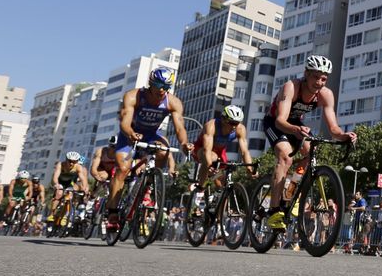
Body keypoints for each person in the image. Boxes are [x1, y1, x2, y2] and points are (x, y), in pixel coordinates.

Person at [261, 55, 356, 230]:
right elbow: (280, 120)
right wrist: (295, 130)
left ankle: (289, 192)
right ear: (306, 74)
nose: (319, 82)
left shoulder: (326, 95)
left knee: (311, 152)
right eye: (315, 76)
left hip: (296, 124)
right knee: (285, 157)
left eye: (324, 78)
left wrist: (345, 136)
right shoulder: (291, 87)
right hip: (275, 122)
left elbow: (334, 129)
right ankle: (274, 211)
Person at [106, 67, 193, 230]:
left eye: (167, 86)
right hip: (129, 134)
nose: (162, 90)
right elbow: (124, 122)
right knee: (123, 169)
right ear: (151, 83)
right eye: (159, 85)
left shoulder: (173, 102)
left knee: (164, 151)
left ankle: (150, 180)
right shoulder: (133, 96)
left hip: (151, 134)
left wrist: (183, 144)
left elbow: (180, 128)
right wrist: (131, 133)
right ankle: (112, 212)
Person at [192, 104, 256, 190]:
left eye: (236, 123)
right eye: (231, 122)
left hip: (220, 152)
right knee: (211, 159)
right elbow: (207, 150)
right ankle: (200, 188)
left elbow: (245, 151)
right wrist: (210, 165)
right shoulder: (211, 126)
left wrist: (249, 168)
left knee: (222, 185)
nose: (234, 126)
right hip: (201, 149)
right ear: (223, 119)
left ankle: (220, 198)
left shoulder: (240, 129)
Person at [49, 151, 90, 221]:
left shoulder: (79, 167)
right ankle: (52, 214)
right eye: (70, 161)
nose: (71, 163)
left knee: (70, 195)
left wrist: (85, 188)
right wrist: (57, 184)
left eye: (74, 162)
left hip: (69, 182)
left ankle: (64, 215)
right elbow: (55, 176)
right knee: (59, 194)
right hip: (60, 181)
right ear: (66, 159)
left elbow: (83, 179)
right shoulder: (61, 164)